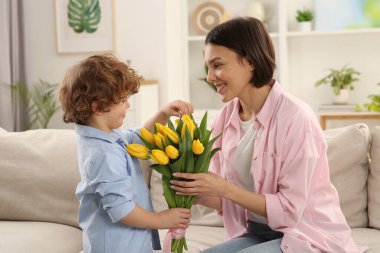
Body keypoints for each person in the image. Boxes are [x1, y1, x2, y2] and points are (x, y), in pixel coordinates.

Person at [170, 17, 368, 253]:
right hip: (257, 232)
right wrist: (194, 191)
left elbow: (289, 209)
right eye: (209, 67)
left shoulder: (296, 117)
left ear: (250, 61)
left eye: (218, 65)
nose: (211, 77)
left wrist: (223, 187)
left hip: (306, 234)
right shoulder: (225, 118)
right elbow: (229, 201)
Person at [58, 54, 193, 253]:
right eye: (122, 100)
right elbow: (122, 210)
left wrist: (163, 113)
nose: (128, 105)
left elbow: (139, 138)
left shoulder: (107, 137)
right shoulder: (103, 154)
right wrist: (161, 219)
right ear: (98, 106)